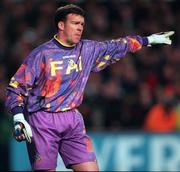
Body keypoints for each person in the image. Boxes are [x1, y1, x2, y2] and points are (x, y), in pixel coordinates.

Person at [5, 4, 174, 171]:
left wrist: (148, 40)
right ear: (61, 25)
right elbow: (16, 86)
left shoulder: (88, 49)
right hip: (43, 120)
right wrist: (18, 117)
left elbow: (117, 45)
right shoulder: (41, 54)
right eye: (75, 23)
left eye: (82, 24)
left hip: (72, 119)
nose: (80, 28)